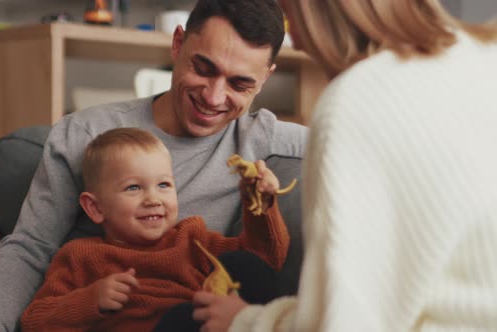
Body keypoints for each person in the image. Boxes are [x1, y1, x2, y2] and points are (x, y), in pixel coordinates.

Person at [0, 0, 308, 330]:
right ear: (177, 44)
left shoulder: (262, 140)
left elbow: (264, 255)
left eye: (240, 83)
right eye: (203, 68)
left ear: (265, 78)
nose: (214, 97)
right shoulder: (85, 133)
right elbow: (30, 250)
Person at [192, 0, 497, 331]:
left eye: (290, 14)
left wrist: (245, 322)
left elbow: (347, 321)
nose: (296, 42)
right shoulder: (482, 58)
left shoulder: (359, 100)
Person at [20, 127, 290, 331]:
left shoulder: (192, 238)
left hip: (201, 322)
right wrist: (90, 300)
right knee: (181, 317)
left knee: (246, 264)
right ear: (95, 208)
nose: (153, 199)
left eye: (163, 185)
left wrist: (260, 204)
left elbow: (266, 257)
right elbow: (34, 321)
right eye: (133, 188)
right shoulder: (81, 256)